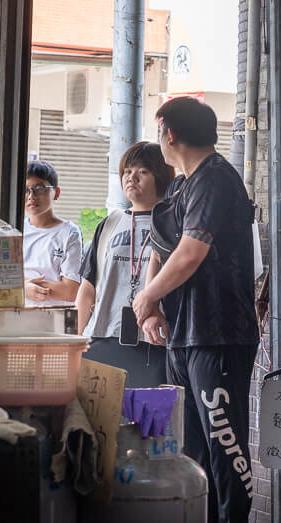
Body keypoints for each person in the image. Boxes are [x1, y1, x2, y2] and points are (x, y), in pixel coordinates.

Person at [130, 97, 259, 523]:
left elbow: (190, 252)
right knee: (191, 454)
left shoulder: (216, 178)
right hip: (183, 336)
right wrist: (152, 308)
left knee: (226, 451)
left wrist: (147, 297)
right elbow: (162, 249)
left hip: (219, 334)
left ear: (169, 133)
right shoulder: (183, 185)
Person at [76, 141, 174, 387]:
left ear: (160, 177)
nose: (132, 178)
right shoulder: (110, 223)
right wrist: (74, 338)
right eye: (127, 172)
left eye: (143, 172)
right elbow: (88, 288)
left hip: (154, 341)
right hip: (103, 335)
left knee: (149, 420)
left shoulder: (173, 224)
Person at [22, 160, 83, 307]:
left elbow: (71, 291)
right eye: (26, 190)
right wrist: (23, 288)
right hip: (17, 316)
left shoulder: (69, 233)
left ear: (56, 193)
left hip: (54, 319)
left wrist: (22, 286)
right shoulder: (16, 230)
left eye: (39, 188)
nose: (31, 196)